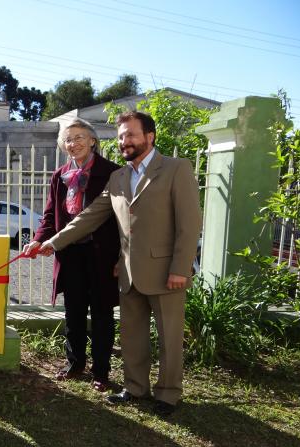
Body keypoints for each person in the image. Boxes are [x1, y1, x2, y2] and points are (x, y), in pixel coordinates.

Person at [29, 111, 201, 416]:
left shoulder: (176, 168)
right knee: (133, 335)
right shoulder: (119, 177)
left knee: (169, 337)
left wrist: (180, 268)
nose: (126, 141)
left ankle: (168, 394)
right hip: (128, 272)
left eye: (132, 134)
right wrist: (51, 243)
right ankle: (135, 388)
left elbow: (189, 224)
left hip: (166, 272)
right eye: (121, 136)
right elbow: (90, 217)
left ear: (150, 137)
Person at [23, 118, 120, 392]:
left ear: (92, 141)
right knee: (73, 312)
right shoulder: (60, 175)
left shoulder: (113, 173)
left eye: (79, 137)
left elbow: (123, 220)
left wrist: (122, 257)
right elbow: (51, 215)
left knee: (102, 314)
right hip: (70, 255)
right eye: (68, 139)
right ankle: (75, 363)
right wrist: (38, 240)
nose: (73, 143)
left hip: (101, 254)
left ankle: (101, 371)